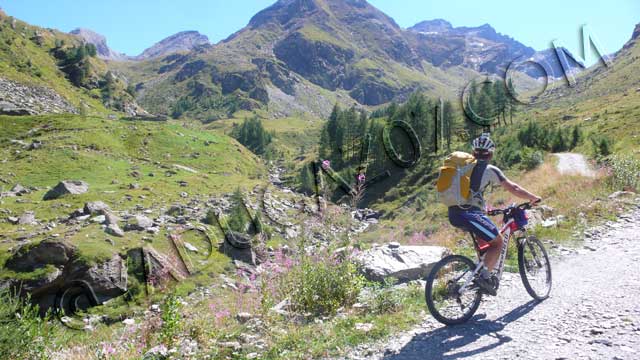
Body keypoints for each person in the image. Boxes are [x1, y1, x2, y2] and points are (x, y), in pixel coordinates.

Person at [448, 133, 542, 295]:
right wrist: (533, 198)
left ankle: (480, 279)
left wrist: (484, 210)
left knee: (485, 246)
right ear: (490, 154)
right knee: (497, 242)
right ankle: (484, 280)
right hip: (469, 214)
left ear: (473, 152)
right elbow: (514, 188)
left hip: (454, 214)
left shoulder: (461, 167)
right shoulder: (490, 169)